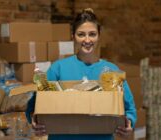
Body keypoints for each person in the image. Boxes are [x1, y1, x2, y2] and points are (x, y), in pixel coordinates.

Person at [30, 8, 137, 140]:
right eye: (81, 34)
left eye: (92, 34)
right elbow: (36, 102)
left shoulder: (111, 71)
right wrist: (34, 120)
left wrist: (129, 124)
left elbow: (130, 108)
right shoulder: (58, 68)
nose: (87, 40)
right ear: (73, 37)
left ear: (99, 36)